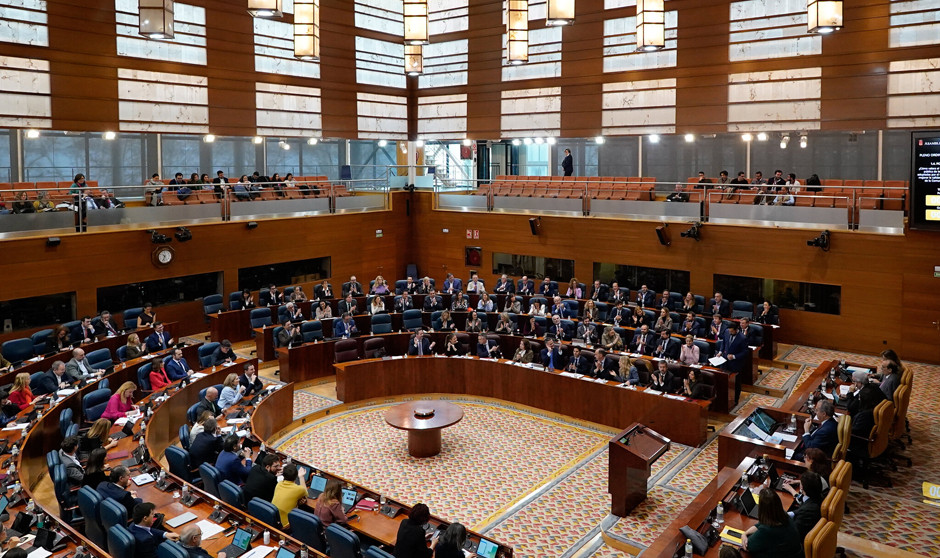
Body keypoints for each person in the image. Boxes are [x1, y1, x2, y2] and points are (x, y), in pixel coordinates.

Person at [740, 488, 803, 558]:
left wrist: (744, 536)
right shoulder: (783, 515)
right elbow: (760, 524)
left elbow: (749, 546)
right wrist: (745, 533)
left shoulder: (767, 530)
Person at [790, 471, 824, 540]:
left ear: (801, 487)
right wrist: (790, 513)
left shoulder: (807, 510)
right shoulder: (817, 496)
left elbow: (794, 533)